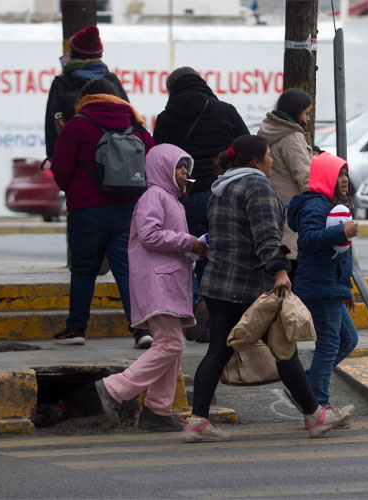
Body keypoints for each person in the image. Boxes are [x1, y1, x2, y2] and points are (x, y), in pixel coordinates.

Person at [183, 135, 350, 443]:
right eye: (270, 156)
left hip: (218, 285)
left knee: (218, 351)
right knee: (285, 350)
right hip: (248, 287)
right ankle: (315, 417)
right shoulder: (257, 186)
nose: (273, 161)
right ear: (256, 161)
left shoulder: (222, 188)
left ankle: (198, 421)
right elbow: (266, 238)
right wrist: (281, 273)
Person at [95, 143, 207, 431]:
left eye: (186, 167)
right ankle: (116, 388)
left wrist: (193, 247)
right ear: (163, 168)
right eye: (180, 167)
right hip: (158, 283)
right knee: (171, 344)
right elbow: (149, 234)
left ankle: (157, 410)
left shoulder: (171, 200)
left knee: (171, 346)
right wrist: (187, 242)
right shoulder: (154, 196)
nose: (185, 172)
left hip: (168, 282)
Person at [50, 77, 155, 347]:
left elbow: (60, 169)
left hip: (87, 210)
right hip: (128, 209)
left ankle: (76, 329)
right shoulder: (137, 126)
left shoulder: (77, 125)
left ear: (85, 100)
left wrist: (75, 192)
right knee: (127, 270)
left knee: (84, 270)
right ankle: (141, 329)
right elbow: (152, 164)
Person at [153, 67, 250, 343]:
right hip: (223, 196)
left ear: (172, 89)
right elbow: (244, 147)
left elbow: (159, 157)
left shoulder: (166, 118)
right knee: (216, 258)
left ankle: (196, 301)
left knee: (185, 253)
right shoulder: (226, 111)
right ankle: (214, 323)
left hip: (185, 198)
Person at [287, 152, 359, 408]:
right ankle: (318, 403)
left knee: (348, 340)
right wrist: (342, 231)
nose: (344, 180)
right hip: (319, 286)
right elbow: (307, 239)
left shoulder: (330, 204)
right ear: (326, 176)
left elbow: (340, 255)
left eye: (345, 174)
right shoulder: (315, 205)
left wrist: (346, 287)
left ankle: (304, 388)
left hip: (331, 285)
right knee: (329, 343)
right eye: (338, 174)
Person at [44, 25, 128, 159]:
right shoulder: (111, 80)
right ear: (99, 55)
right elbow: (129, 119)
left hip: (74, 157)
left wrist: (53, 157)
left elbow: (52, 124)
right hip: (111, 160)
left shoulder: (62, 82)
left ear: (73, 53)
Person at [257, 88, 313, 278]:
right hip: (293, 216)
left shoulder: (267, 131)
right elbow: (305, 177)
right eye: (306, 113)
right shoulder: (291, 136)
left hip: (273, 210)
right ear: (296, 111)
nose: (307, 119)